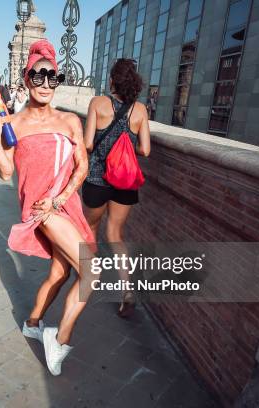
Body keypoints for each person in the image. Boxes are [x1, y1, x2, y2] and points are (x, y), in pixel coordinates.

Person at [0, 39, 94, 376]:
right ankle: (58, 340)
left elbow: (82, 167)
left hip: (65, 204)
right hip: (40, 212)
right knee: (93, 271)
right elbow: (5, 171)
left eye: (52, 77)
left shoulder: (70, 121)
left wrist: (61, 198)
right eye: (38, 76)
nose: (46, 84)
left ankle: (32, 323)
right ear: (27, 78)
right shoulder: (13, 125)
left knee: (61, 274)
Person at [82, 58, 151, 317]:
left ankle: (89, 281)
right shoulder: (140, 110)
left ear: (112, 79)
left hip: (98, 178)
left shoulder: (98, 103)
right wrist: (124, 148)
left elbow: (88, 144)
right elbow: (145, 149)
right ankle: (127, 290)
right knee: (115, 234)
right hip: (125, 181)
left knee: (89, 230)